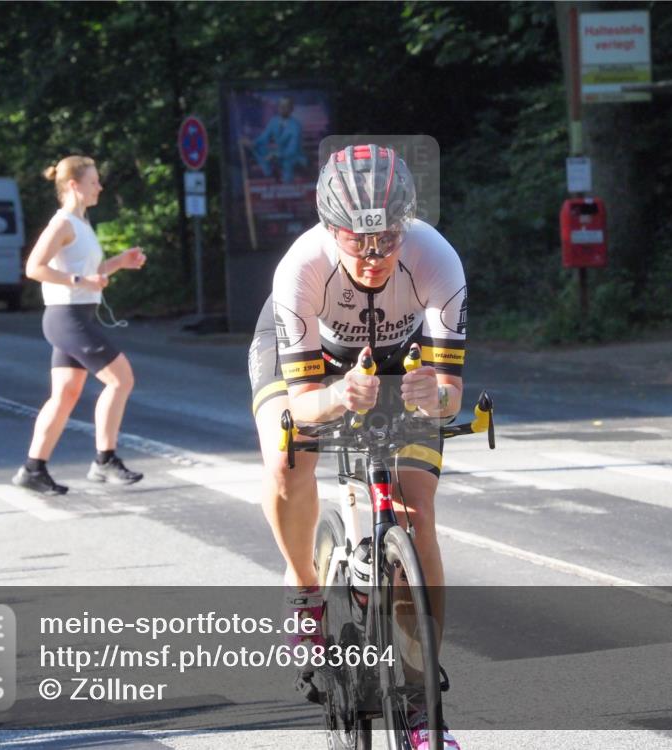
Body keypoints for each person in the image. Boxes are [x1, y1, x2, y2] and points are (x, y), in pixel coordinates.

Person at [247, 144, 467, 750]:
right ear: (328, 230)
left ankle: (425, 709)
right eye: (356, 242)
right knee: (289, 460)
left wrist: (433, 394)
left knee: (418, 513)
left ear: (406, 227)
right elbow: (302, 403)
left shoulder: (436, 258)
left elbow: (451, 394)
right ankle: (305, 591)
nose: (373, 258)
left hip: (400, 359)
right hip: (310, 364)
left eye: (387, 241)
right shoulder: (300, 269)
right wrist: (342, 395)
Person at [12, 155, 147, 495]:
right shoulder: (63, 224)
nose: (99, 186)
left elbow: (93, 275)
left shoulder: (82, 223)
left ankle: (33, 469)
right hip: (66, 317)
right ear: (74, 185)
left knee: (65, 395)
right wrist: (77, 279)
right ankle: (105, 460)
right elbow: (34, 267)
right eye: (93, 181)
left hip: (76, 315)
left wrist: (119, 262)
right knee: (121, 379)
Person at [247, 96, 306, 183]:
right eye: (280, 106)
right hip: (278, 154)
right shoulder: (274, 121)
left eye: (285, 106)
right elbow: (264, 137)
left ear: (291, 109)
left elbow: (292, 150)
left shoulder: (296, 126)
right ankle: (269, 172)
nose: (282, 108)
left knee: (287, 162)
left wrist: (275, 154)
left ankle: (287, 187)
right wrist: (252, 143)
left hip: (294, 156)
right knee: (257, 147)